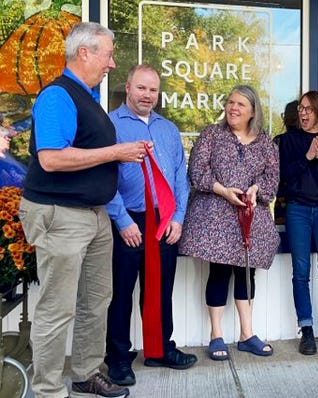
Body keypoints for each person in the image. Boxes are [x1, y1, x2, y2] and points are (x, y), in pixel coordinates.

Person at [18, 22, 149, 398]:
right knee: (57, 309)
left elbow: (89, 158)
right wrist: (117, 152)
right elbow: (52, 159)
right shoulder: (58, 96)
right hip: (61, 214)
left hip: (94, 214)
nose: (111, 64)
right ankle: (47, 390)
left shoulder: (87, 97)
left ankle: (85, 373)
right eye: (107, 54)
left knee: (96, 301)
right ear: (85, 53)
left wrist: (121, 156)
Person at [104, 64, 197, 386]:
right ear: (127, 87)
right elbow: (103, 180)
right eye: (141, 88)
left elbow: (180, 180)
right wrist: (122, 220)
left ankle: (159, 350)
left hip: (164, 221)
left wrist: (178, 218)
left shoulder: (168, 130)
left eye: (153, 90)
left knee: (160, 291)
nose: (147, 95)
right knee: (120, 294)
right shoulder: (110, 125)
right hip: (127, 221)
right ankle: (117, 358)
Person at [179, 85, 280, 360]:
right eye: (230, 102)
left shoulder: (265, 142)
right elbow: (196, 172)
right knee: (219, 272)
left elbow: (272, 178)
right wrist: (223, 190)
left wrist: (256, 189)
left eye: (240, 105)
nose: (233, 108)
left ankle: (247, 334)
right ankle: (216, 335)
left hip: (251, 217)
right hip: (217, 218)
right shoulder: (212, 134)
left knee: (247, 274)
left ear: (252, 112)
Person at [278, 91, 318, 355]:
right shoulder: (289, 141)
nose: (303, 113)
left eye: (308, 109)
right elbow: (283, 177)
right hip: (298, 210)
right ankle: (306, 329)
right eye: (301, 109)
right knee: (301, 273)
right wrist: (306, 158)